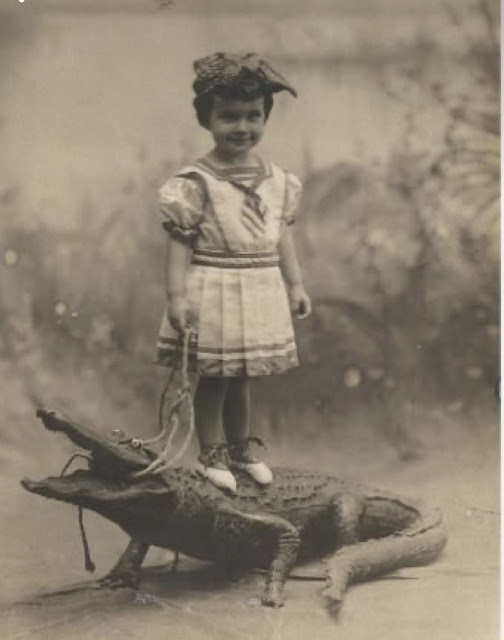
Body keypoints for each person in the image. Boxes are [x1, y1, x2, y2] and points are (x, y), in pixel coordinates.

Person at [156, 52, 311, 492]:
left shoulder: (278, 179)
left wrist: (295, 283)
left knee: (242, 375)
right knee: (216, 376)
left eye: (253, 116)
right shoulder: (196, 181)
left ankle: (241, 448)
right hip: (215, 285)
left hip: (259, 284)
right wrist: (176, 298)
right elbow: (179, 241)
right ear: (206, 119)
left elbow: (281, 234)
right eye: (229, 117)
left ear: (265, 117)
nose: (242, 127)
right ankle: (211, 453)